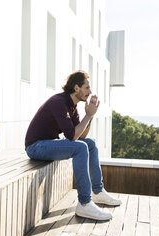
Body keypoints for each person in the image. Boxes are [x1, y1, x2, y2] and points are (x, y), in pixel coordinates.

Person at [24, 70, 121, 221]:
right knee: (80, 147)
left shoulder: (72, 107)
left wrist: (90, 115)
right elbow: (73, 136)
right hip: (36, 146)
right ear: (76, 88)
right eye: (87, 88)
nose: (90, 92)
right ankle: (84, 203)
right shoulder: (58, 102)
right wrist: (88, 115)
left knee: (90, 144)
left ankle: (97, 191)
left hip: (49, 143)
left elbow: (81, 135)